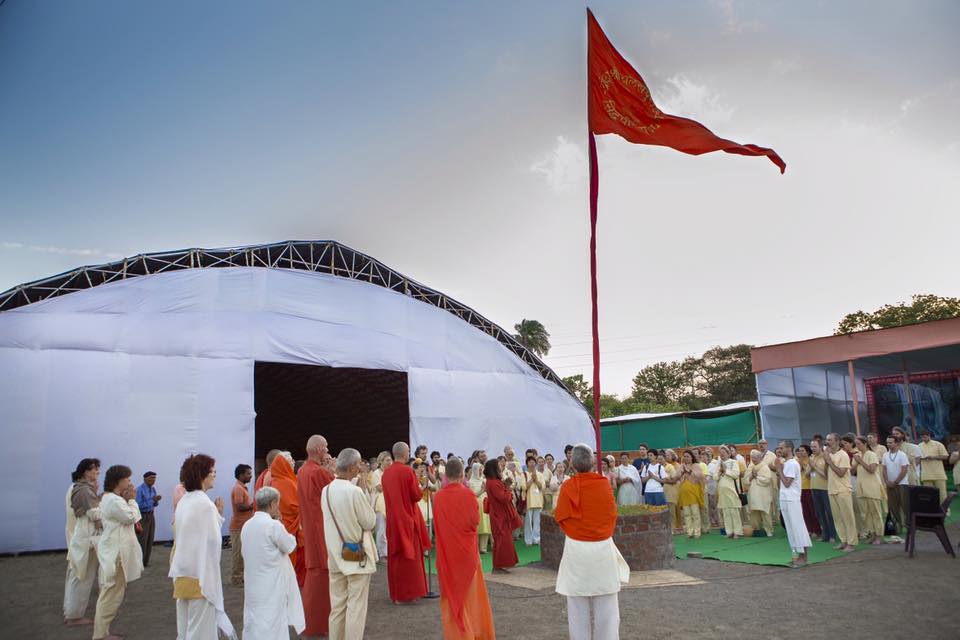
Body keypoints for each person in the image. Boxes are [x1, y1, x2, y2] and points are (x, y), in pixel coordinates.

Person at [554, 443, 629, 640]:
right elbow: (611, 514)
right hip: (602, 546)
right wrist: (598, 531)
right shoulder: (603, 483)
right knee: (607, 604)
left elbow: (561, 517)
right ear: (593, 462)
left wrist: (576, 532)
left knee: (577, 604)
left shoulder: (568, 486)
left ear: (572, 464)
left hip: (576, 546)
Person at [169, 454, 235, 640]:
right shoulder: (204, 504)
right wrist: (218, 515)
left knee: (185, 630)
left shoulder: (185, 501)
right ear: (202, 475)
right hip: (201, 578)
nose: (214, 475)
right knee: (200, 633)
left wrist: (217, 516)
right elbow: (212, 542)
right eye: (212, 471)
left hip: (183, 574)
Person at [434, 458, 496, 639]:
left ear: (446, 475)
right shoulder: (468, 495)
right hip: (467, 554)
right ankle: (475, 631)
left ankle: (457, 634)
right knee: (472, 596)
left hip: (446, 554)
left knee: (451, 595)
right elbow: (475, 522)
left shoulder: (438, 497)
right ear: (462, 475)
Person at [322, 448, 378, 640]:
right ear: (353, 467)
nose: (361, 467)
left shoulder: (326, 490)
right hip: (356, 555)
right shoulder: (354, 492)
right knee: (356, 607)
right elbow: (370, 522)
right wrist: (364, 493)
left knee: (337, 607)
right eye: (359, 463)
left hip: (335, 555)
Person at [241, 486, 305, 640]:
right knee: (273, 620)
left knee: (254, 618)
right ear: (271, 504)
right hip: (272, 582)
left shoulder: (247, 525)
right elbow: (290, 545)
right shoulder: (273, 525)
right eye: (278, 503)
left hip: (253, 581)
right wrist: (280, 523)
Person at [94, 465, 143, 640]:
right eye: (128, 479)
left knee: (111, 594)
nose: (130, 483)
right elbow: (131, 517)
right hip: (115, 554)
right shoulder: (114, 501)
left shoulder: (112, 499)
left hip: (114, 552)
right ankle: (100, 634)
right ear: (119, 481)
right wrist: (132, 501)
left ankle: (103, 632)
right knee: (110, 595)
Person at [382, 441, 431, 603]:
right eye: (409, 451)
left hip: (393, 520)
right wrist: (421, 485)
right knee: (410, 558)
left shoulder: (386, 473)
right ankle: (409, 593)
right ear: (404, 453)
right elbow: (416, 496)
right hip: (407, 518)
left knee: (396, 558)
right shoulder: (407, 471)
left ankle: (397, 594)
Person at [297, 435, 336, 639]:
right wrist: (333, 471)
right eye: (327, 447)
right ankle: (317, 624)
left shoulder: (303, 470)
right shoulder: (318, 472)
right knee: (321, 579)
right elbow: (337, 492)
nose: (328, 450)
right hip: (322, 531)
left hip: (311, 529)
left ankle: (312, 623)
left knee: (315, 577)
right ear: (320, 449)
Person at [65, 458, 101, 627]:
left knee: (77, 575)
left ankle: (72, 613)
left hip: (80, 536)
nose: (97, 472)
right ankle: (74, 615)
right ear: (86, 471)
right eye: (94, 469)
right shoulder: (84, 490)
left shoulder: (77, 488)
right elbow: (94, 514)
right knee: (82, 577)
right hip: (85, 537)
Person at [774, 440, 811, 567]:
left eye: (781, 448)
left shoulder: (792, 463)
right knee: (790, 529)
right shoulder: (787, 463)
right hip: (785, 498)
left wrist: (779, 469)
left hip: (792, 499)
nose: (779, 450)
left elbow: (787, 482)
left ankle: (803, 556)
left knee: (797, 527)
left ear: (789, 448)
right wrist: (780, 469)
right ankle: (796, 555)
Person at [270, 452, 305, 586]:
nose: (293, 463)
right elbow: (294, 506)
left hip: (286, 526)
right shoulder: (285, 482)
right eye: (289, 461)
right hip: (289, 527)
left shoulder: (279, 481)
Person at [483, 458, 523, 573]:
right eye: (498, 466)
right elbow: (504, 498)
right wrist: (508, 489)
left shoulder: (492, 481)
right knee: (502, 541)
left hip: (498, 514)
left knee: (503, 540)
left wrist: (505, 485)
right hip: (499, 516)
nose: (501, 467)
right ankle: (497, 566)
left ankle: (499, 565)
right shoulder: (493, 483)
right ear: (494, 468)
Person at [824, 433, 857, 552]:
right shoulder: (828, 454)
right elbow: (826, 473)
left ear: (837, 441)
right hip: (832, 489)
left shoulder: (843, 455)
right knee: (837, 518)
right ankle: (843, 540)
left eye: (830, 440)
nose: (827, 442)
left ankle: (851, 543)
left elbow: (841, 473)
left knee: (848, 517)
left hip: (843, 490)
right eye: (827, 440)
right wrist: (826, 459)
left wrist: (829, 461)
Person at [853, 435, 884, 544]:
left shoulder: (871, 454)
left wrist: (860, 461)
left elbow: (872, 469)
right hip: (861, 487)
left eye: (859, 444)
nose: (857, 446)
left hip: (872, 487)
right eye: (856, 444)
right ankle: (872, 533)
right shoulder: (857, 456)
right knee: (865, 513)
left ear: (865, 444)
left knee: (875, 512)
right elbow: (852, 471)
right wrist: (856, 461)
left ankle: (878, 536)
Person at [229, 464, 255, 587]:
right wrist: (253, 506)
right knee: (238, 554)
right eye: (248, 474)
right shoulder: (238, 489)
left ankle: (241, 577)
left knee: (243, 553)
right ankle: (236, 579)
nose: (251, 476)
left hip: (243, 526)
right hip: (238, 526)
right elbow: (239, 506)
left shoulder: (241, 488)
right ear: (241, 475)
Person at [809, 439, 837, 542]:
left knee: (829, 512)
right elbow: (808, 474)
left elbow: (826, 475)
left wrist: (814, 467)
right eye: (811, 447)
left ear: (820, 447)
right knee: (819, 513)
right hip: (814, 488)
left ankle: (833, 535)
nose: (813, 449)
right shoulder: (811, 457)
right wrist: (810, 467)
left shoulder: (825, 457)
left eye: (815, 446)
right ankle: (825, 534)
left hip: (824, 488)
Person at [714, 446, 743, 538]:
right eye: (720, 453)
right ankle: (729, 532)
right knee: (726, 512)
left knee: (734, 511)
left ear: (728, 453)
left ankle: (737, 532)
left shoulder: (733, 462)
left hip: (732, 491)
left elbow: (736, 474)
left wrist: (725, 471)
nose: (722, 454)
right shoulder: (718, 464)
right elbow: (715, 477)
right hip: (722, 492)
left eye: (724, 452)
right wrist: (720, 471)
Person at [883, 435, 910, 533]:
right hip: (890, 485)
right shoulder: (885, 455)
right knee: (893, 506)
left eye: (890, 442)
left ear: (897, 443)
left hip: (902, 484)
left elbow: (904, 470)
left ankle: (909, 525)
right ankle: (898, 526)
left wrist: (895, 482)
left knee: (905, 505)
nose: (888, 444)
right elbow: (884, 469)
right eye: (887, 442)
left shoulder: (902, 455)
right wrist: (887, 481)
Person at [134, 471, 161, 567]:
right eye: (151, 478)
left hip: (151, 515)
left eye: (154, 478)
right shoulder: (139, 490)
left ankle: (145, 561)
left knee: (150, 538)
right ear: (145, 479)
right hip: (142, 516)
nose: (153, 480)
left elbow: (154, 504)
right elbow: (138, 505)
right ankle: (139, 562)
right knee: (142, 539)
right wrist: (152, 500)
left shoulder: (153, 489)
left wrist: (156, 501)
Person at [745, 450, 774, 537]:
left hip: (763, 493)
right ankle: (757, 530)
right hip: (752, 493)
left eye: (755, 458)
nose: (753, 459)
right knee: (754, 512)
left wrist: (756, 476)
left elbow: (767, 480)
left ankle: (768, 530)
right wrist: (750, 477)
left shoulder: (764, 467)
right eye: (752, 458)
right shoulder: (750, 467)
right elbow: (745, 481)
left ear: (760, 458)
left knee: (765, 512)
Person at [918, 429, 950, 506]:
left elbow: (945, 456)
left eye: (925, 437)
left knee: (942, 493)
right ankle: (932, 510)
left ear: (929, 436)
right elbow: (917, 457)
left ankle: (945, 510)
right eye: (922, 437)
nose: (924, 439)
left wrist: (933, 457)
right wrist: (922, 458)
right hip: (926, 474)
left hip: (938, 473)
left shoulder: (938, 444)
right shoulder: (919, 446)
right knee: (929, 494)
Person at [677, 451, 704, 538]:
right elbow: (676, 476)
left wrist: (689, 471)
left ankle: (697, 532)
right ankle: (689, 532)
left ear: (692, 457)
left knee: (695, 513)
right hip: (684, 494)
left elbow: (700, 476)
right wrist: (682, 472)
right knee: (687, 514)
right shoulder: (681, 466)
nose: (685, 458)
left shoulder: (696, 466)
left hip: (693, 493)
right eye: (684, 456)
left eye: (687, 456)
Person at [370, 451, 391, 558]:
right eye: (387, 460)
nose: (389, 462)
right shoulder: (376, 473)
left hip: (389, 503)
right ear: (381, 461)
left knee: (388, 530)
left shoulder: (390, 472)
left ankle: (388, 551)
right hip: (379, 504)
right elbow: (379, 488)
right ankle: (382, 553)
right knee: (381, 529)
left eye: (390, 460)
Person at [796, 445, 821, 536]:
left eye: (802, 451)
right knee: (805, 510)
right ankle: (809, 529)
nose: (801, 453)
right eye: (799, 451)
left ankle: (816, 529)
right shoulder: (797, 461)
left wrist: (803, 463)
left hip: (810, 487)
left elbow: (808, 474)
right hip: (801, 487)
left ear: (807, 452)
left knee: (812, 510)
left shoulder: (811, 459)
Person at [468, 461, 492, 553]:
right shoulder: (471, 482)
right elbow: (472, 495)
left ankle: (483, 547)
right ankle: (476, 548)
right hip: (476, 506)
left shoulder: (484, 480)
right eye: (479, 470)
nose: (481, 472)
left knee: (485, 526)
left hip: (485, 505)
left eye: (482, 470)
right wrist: (482, 490)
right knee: (477, 526)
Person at [523, 455, 545, 545]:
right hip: (529, 500)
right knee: (528, 521)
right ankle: (528, 540)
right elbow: (524, 487)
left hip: (538, 500)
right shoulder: (524, 474)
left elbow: (542, 488)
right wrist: (532, 479)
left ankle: (536, 539)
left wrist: (536, 480)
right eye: (530, 462)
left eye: (533, 462)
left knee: (537, 521)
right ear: (527, 464)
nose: (532, 464)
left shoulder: (540, 475)